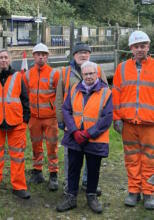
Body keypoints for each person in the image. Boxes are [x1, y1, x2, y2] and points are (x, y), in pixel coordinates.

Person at [56, 61, 112, 213]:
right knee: (73, 168)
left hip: (95, 138)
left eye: (91, 73)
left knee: (93, 169)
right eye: (86, 74)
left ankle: (91, 196)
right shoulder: (75, 88)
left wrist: (88, 133)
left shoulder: (106, 92)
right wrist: (74, 131)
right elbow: (66, 109)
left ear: (97, 74)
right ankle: (71, 197)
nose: (88, 76)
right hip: (75, 137)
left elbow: (107, 118)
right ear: (82, 74)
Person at [112, 30, 154, 210]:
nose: (140, 49)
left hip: (150, 125)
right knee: (131, 159)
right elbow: (116, 95)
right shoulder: (121, 68)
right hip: (128, 123)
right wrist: (116, 118)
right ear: (131, 48)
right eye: (136, 46)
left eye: (143, 46)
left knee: (150, 159)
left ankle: (149, 193)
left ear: (148, 47)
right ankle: (133, 191)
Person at [0, 50, 30, 201]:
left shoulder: (17, 76)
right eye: (1, 58)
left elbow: (24, 99)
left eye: (6, 57)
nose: (3, 60)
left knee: (17, 157)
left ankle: (19, 187)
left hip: (16, 123)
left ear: (10, 59)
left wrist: (25, 120)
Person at [23, 43, 60, 190]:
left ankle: (53, 175)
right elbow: (24, 95)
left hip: (50, 118)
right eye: (38, 54)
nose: (41, 57)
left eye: (44, 54)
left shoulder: (54, 74)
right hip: (34, 118)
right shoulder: (27, 75)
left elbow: (59, 96)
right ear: (34, 56)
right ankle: (37, 172)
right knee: (36, 146)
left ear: (47, 56)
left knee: (52, 147)